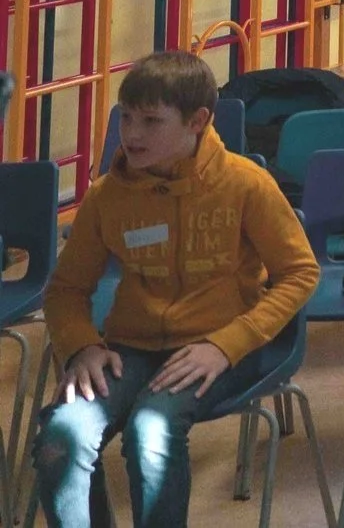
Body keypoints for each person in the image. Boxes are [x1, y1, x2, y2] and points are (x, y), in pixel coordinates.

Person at [35, 50, 320, 528]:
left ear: (198, 122)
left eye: (151, 121)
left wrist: (225, 345)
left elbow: (300, 273)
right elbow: (66, 289)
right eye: (126, 117)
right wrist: (81, 347)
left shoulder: (245, 184)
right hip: (131, 347)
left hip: (218, 345)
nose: (132, 134)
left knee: (152, 432)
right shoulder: (107, 195)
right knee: (59, 437)